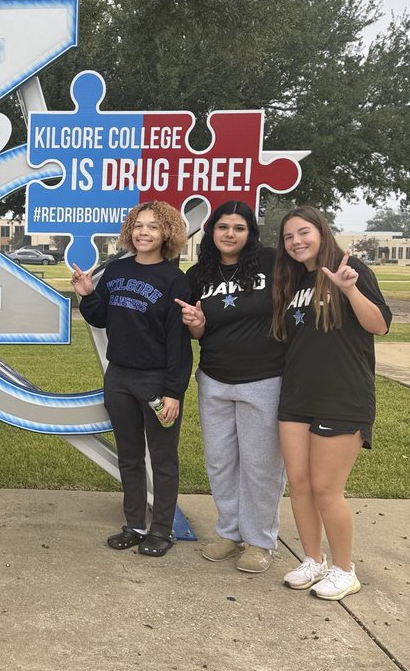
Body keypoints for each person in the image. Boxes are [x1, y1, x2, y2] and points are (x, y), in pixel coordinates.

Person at [272, 206, 391, 600]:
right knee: (301, 486)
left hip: (342, 397)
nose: (296, 242)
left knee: (326, 488)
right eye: (288, 237)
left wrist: (349, 289)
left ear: (322, 232)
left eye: (303, 232)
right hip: (297, 397)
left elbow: (379, 325)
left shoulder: (349, 266)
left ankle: (344, 569)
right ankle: (313, 559)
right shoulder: (294, 280)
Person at [72, 201, 192, 558]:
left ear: (166, 233)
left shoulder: (176, 280)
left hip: (157, 381)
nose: (144, 232)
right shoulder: (117, 270)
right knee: (129, 456)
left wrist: (173, 392)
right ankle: (135, 525)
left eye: (153, 227)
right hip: (120, 377)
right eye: (139, 225)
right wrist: (88, 294)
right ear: (129, 231)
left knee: (163, 458)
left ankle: (162, 530)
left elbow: (179, 344)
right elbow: (100, 318)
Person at [176, 202, 285, 574]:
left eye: (239, 228)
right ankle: (229, 531)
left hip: (264, 378)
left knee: (261, 465)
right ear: (212, 231)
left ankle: (259, 540)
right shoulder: (198, 274)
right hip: (214, 378)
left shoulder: (270, 263)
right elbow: (198, 331)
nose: (230, 234)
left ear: (250, 233)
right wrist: (195, 322)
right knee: (221, 461)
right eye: (223, 227)